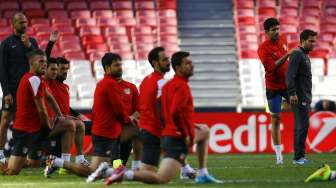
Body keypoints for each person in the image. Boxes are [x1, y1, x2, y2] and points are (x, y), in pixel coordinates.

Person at [104, 51, 222, 185]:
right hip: (160, 130)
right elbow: (171, 111)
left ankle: (118, 169)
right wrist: (185, 130)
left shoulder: (147, 80)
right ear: (155, 63)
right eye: (165, 59)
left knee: (148, 173)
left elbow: (148, 106)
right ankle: (199, 173)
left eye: (168, 59)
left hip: (146, 129)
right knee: (204, 131)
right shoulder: (164, 83)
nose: (168, 62)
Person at [44, 53, 136, 178]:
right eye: (116, 65)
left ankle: (67, 161)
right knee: (95, 169)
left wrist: (77, 115)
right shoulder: (109, 85)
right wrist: (127, 119)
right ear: (107, 68)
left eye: (120, 65)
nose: (120, 67)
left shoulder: (109, 84)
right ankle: (58, 161)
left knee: (97, 167)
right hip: (104, 131)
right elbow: (118, 110)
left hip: (105, 130)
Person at [0, 49, 63, 175]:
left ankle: (65, 162)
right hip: (26, 130)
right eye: (41, 62)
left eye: (45, 62)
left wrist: (60, 116)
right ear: (31, 63)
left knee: (33, 164)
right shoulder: (34, 79)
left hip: (35, 128)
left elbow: (50, 98)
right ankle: (66, 163)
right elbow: (41, 109)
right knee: (12, 171)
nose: (44, 64)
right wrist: (49, 126)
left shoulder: (38, 80)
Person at [0, 13, 39, 162]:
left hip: (29, 90)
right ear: (13, 24)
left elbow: (38, 62)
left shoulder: (32, 42)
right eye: (21, 23)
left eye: (26, 22)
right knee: (4, 120)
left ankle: (24, 154)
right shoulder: (6, 43)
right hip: (12, 90)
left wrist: (29, 46)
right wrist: (6, 92)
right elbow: (2, 69)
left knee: (24, 122)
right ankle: (0, 153)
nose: (24, 25)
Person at [43, 58, 88, 175]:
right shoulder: (49, 82)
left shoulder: (65, 87)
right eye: (61, 69)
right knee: (71, 124)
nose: (64, 71)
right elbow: (45, 61)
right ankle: (65, 163)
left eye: (66, 69)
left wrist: (75, 115)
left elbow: (65, 109)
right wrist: (51, 42)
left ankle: (79, 159)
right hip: (48, 124)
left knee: (80, 124)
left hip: (59, 121)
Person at [257, 17, 292, 164]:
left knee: (301, 112)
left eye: (278, 29)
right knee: (276, 119)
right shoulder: (263, 49)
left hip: (288, 86)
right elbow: (271, 68)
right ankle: (279, 155)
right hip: (273, 88)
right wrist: (287, 55)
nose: (277, 32)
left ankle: (300, 152)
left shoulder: (283, 39)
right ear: (266, 32)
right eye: (273, 30)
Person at [286, 29, 317, 165]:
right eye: (311, 41)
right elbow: (290, 75)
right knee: (302, 125)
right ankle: (298, 157)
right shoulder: (297, 54)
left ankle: (299, 156)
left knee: (301, 125)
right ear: (302, 40)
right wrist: (292, 93)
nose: (313, 44)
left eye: (314, 41)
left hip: (304, 96)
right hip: (299, 97)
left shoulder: (304, 55)